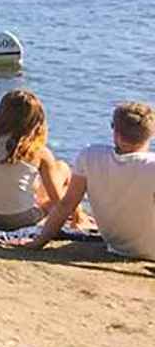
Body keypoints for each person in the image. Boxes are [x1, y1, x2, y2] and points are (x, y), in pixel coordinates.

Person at [27, 102, 155, 259]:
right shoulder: (151, 165)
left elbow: (66, 205)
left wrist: (39, 241)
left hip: (116, 244)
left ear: (116, 132)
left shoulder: (90, 156)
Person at [0, 89, 79, 232]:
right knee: (62, 168)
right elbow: (58, 202)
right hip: (22, 221)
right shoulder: (39, 152)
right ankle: (77, 218)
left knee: (34, 184)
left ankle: (76, 216)